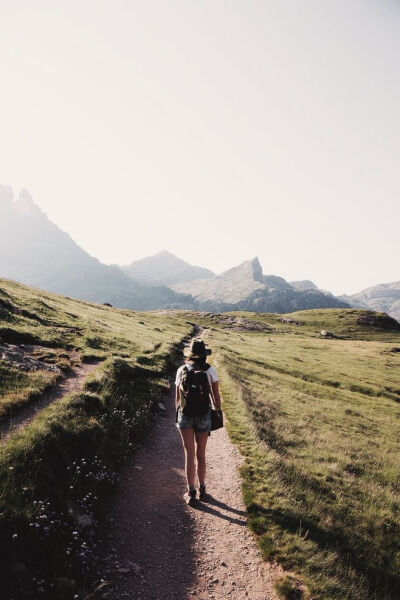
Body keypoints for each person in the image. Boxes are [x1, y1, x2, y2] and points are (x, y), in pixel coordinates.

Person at [175, 338, 222, 505]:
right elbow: (216, 397)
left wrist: (178, 417)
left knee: (189, 454)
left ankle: (190, 491)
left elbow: (178, 399)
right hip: (203, 415)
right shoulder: (211, 371)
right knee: (201, 454)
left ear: (191, 353)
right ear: (204, 355)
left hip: (185, 415)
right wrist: (218, 413)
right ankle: (202, 489)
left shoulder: (182, 370)